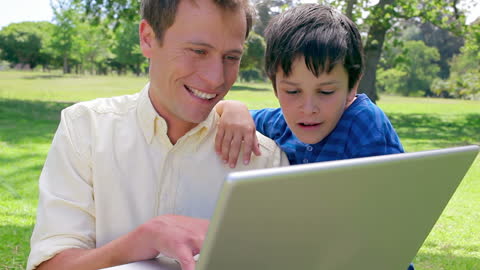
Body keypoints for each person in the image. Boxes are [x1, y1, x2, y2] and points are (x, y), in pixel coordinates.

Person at [26, 0, 288, 270]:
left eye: (231, 57)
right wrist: (145, 238)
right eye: (198, 51)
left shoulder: (264, 162)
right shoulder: (86, 130)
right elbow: (50, 264)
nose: (215, 79)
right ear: (148, 38)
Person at [215, 4, 414, 270]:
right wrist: (231, 107)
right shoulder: (277, 122)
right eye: (293, 92)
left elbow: (390, 226)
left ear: (352, 86)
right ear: (275, 86)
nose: (308, 109)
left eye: (326, 92)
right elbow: (224, 114)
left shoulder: (365, 124)